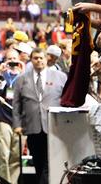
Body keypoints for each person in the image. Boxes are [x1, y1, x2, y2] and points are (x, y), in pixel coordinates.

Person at [12, 48, 67, 184]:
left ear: (46, 59)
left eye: (41, 58)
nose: (39, 60)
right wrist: (17, 124)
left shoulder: (60, 77)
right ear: (31, 60)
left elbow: (66, 100)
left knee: (51, 161)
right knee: (37, 161)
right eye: (35, 58)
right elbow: (16, 104)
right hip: (32, 126)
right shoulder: (21, 79)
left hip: (54, 126)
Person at [0, 49, 24, 184]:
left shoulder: (24, 76)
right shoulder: (0, 75)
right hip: (3, 117)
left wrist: (23, 72)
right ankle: (2, 181)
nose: (12, 62)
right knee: (3, 155)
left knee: (16, 156)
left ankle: (13, 181)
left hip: (20, 120)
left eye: (14, 59)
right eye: (9, 59)